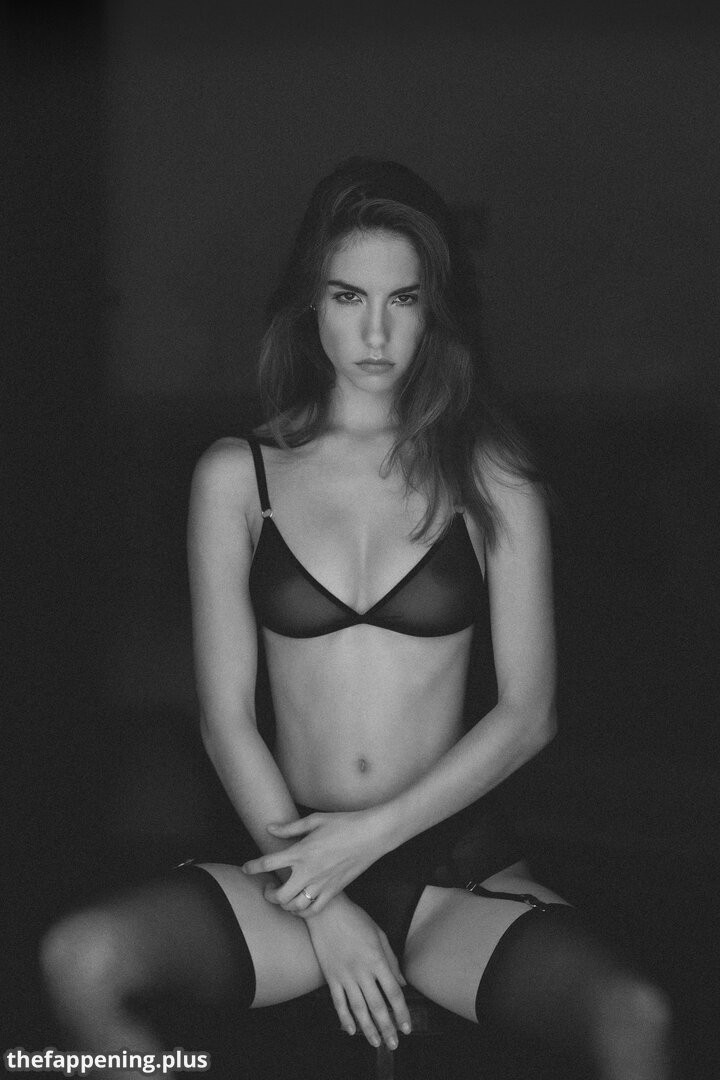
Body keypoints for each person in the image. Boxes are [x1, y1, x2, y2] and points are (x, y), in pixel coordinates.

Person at [41, 158, 675, 1078]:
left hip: (449, 873)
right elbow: (225, 718)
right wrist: (322, 897)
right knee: (83, 959)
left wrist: (365, 842)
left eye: (402, 300)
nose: (375, 331)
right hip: (290, 860)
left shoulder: (491, 475)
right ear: (312, 303)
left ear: (432, 312)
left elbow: (529, 714)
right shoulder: (237, 476)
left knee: (633, 1017)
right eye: (348, 296)